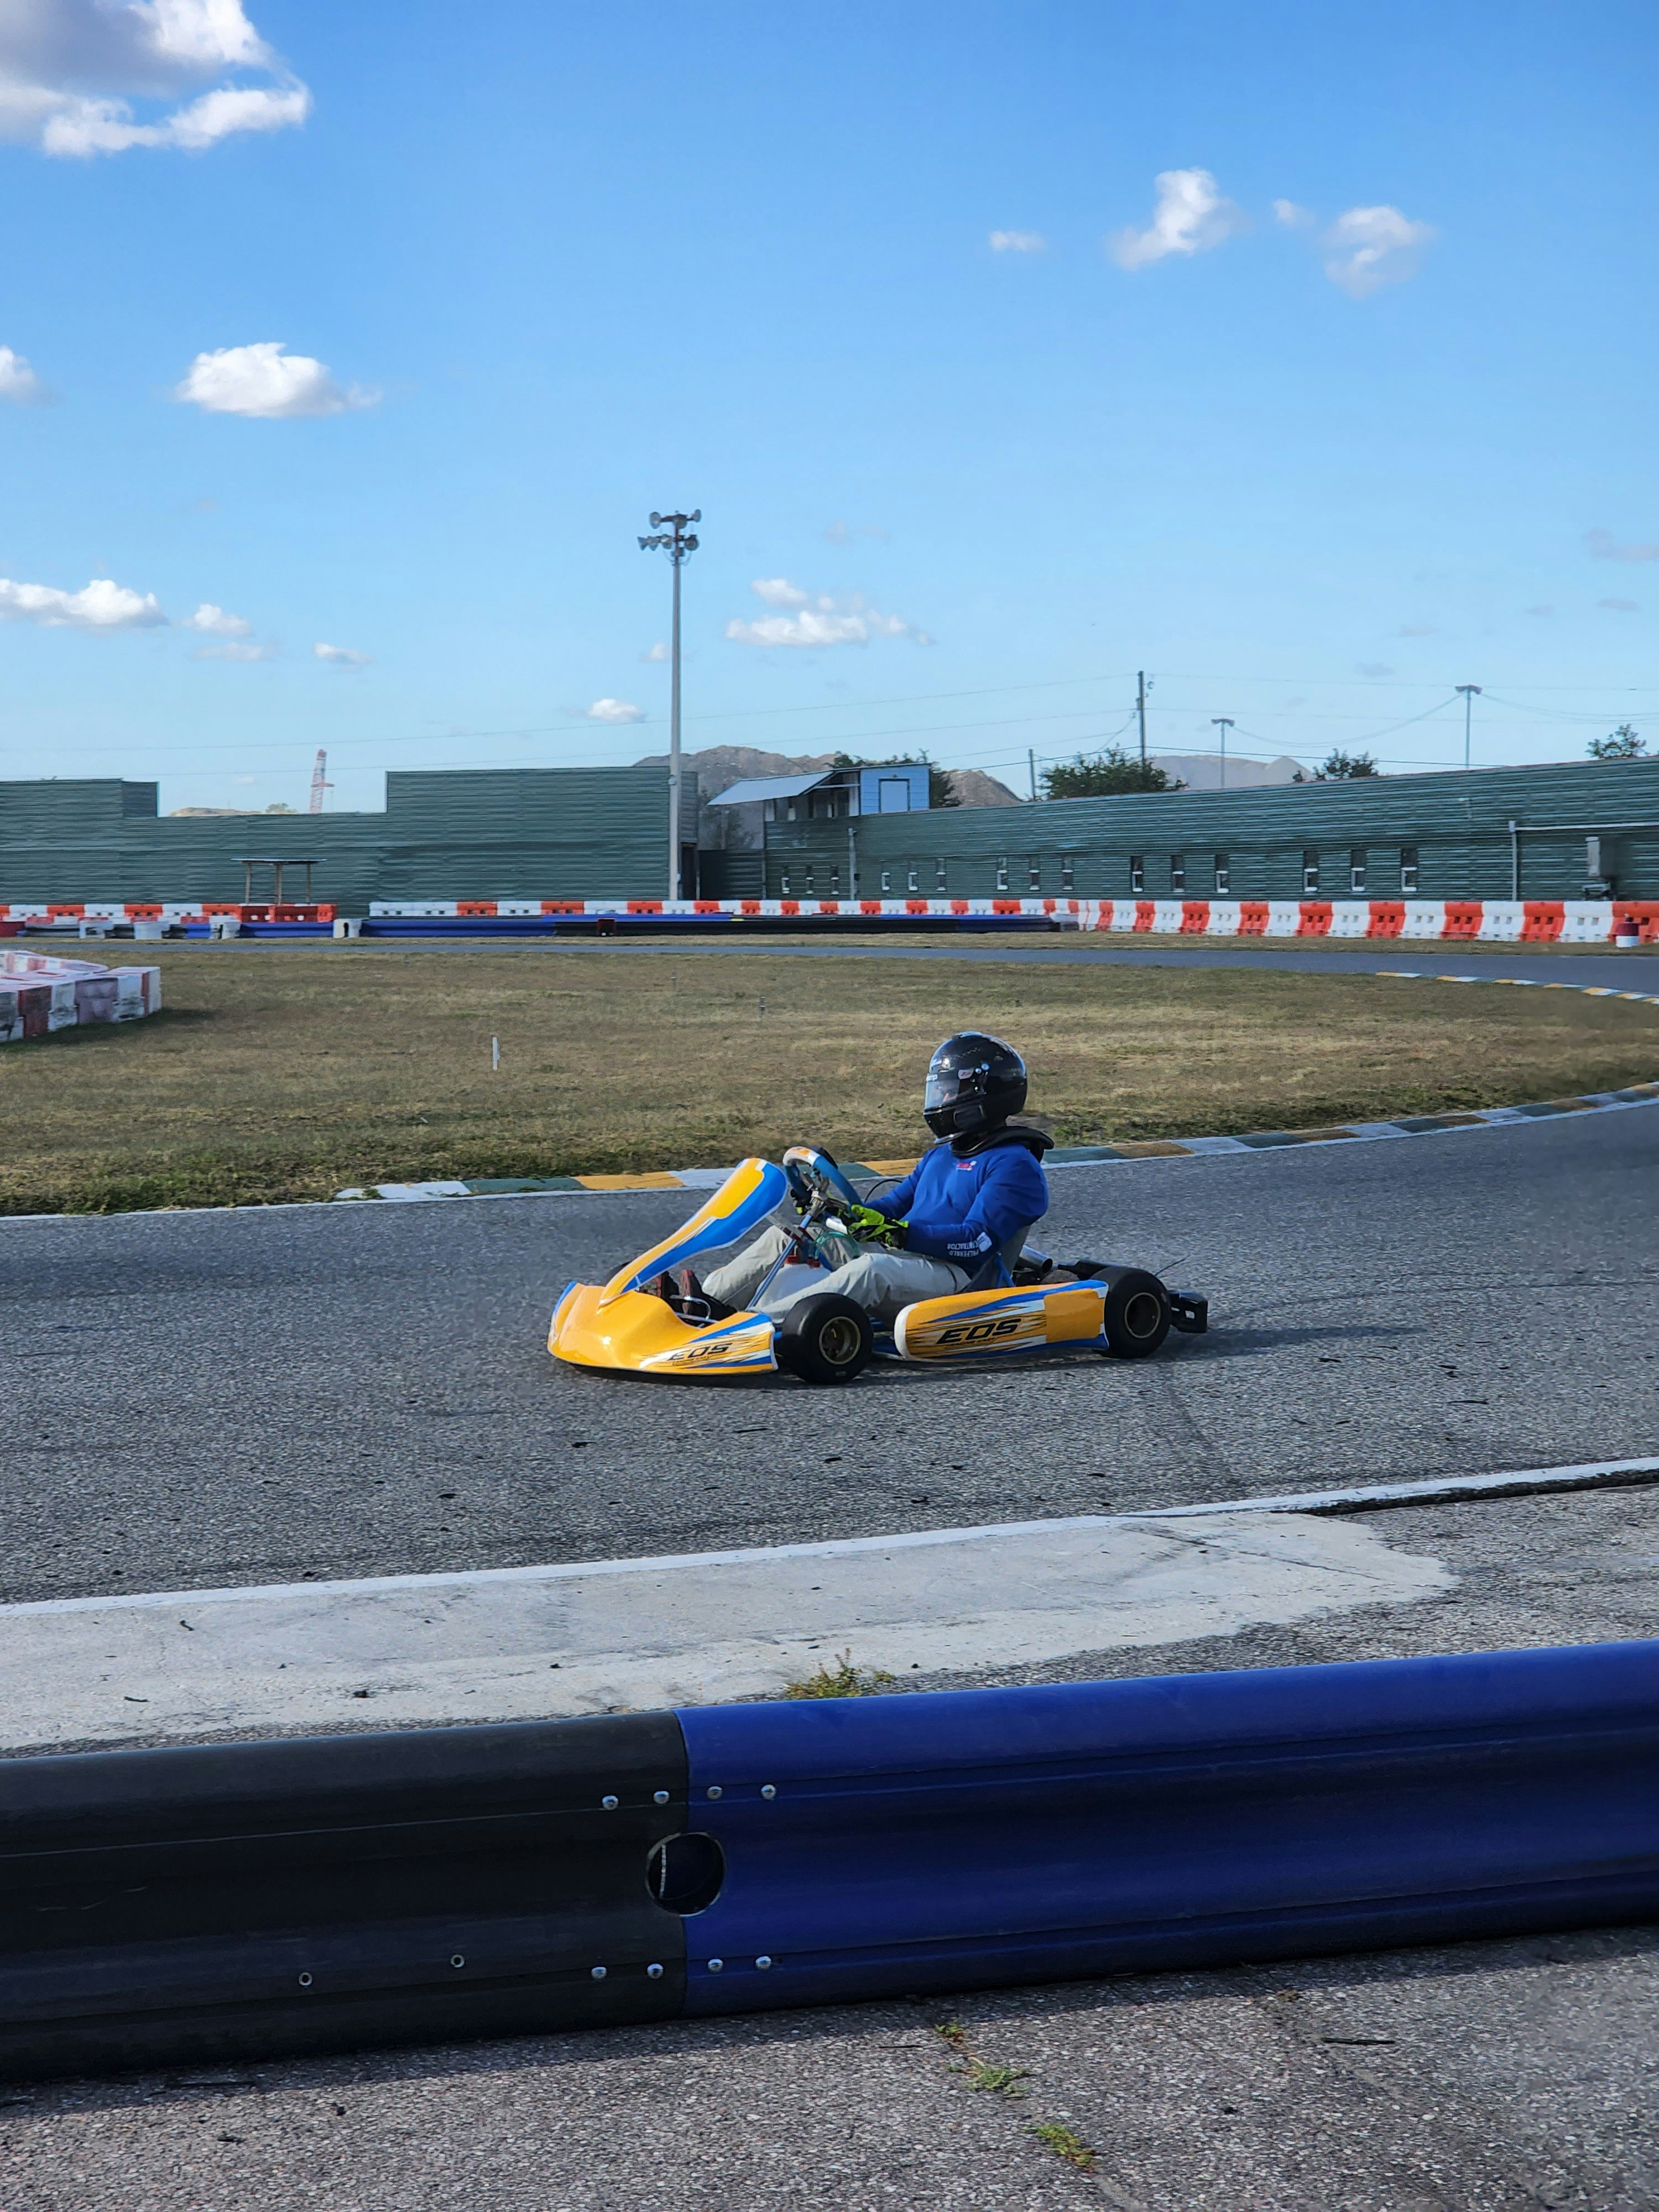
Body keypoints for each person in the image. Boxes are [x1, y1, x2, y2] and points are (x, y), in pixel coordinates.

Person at [671, 1032, 1051, 1326]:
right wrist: (840, 1213)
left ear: (983, 1095)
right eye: (941, 1089)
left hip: (958, 1280)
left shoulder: (1014, 1165)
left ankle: (750, 1327)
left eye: (951, 1089)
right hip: (909, 1257)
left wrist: (900, 1234)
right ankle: (702, 1305)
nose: (942, 1098)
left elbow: (976, 1242)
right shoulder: (943, 1154)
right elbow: (892, 1207)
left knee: (871, 1270)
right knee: (790, 1237)